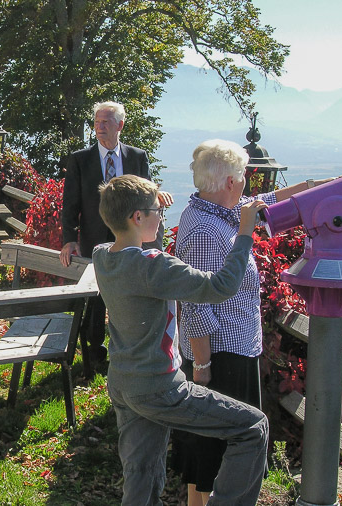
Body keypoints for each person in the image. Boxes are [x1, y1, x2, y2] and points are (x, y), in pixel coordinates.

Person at [169, 139, 342, 505]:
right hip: (220, 359)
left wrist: (317, 188)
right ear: (230, 181)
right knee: (214, 457)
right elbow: (197, 305)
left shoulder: (218, 209)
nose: (248, 182)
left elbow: (271, 202)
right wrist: (202, 368)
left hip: (232, 353)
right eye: (244, 175)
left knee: (213, 452)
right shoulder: (205, 231)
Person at [91, 174, 269, 505]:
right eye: (155, 212)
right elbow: (221, 287)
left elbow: (141, 263)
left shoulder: (103, 256)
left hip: (124, 384)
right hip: (160, 388)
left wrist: (151, 208)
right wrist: (245, 232)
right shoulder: (153, 267)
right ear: (137, 217)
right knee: (252, 428)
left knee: (141, 477)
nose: (161, 217)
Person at [60, 100, 173, 365]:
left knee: (132, 294)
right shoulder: (80, 160)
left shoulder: (136, 157)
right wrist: (69, 240)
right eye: (97, 122)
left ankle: (132, 349)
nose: (100, 127)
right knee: (96, 297)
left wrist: (158, 194)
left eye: (106, 122)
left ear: (120, 125)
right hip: (94, 238)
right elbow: (70, 203)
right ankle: (94, 354)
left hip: (131, 238)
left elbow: (145, 194)